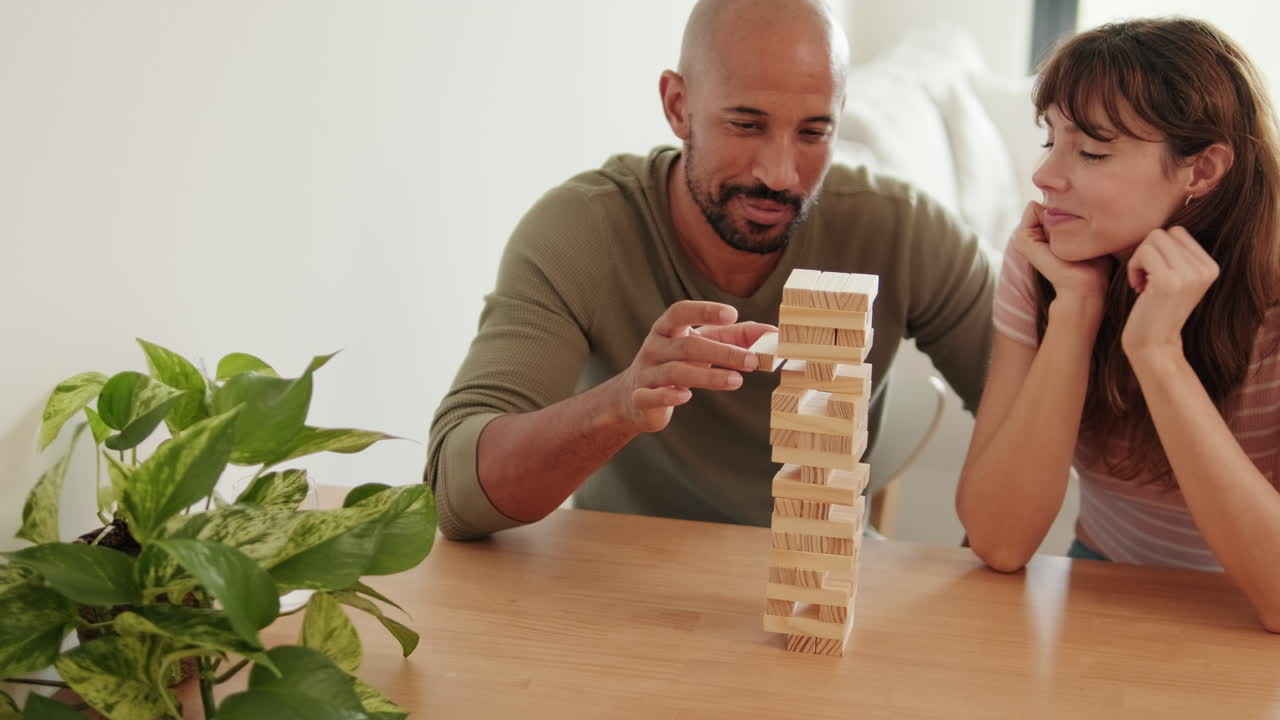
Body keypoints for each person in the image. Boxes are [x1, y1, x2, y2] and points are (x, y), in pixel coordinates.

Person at [427, 0, 995, 541]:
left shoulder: (901, 230)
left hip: (813, 608)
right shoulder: (582, 232)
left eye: (813, 132)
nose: (779, 173)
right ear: (678, 105)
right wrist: (620, 402)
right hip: (617, 588)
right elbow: (454, 496)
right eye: (747, 125)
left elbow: (1051, 424)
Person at [956, 18, 1280, 631]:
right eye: (1051, 139)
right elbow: (997, 540)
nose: (1046, 176)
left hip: (1242, 615)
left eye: (1093, 150)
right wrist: (1075, 312)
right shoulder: (1047, 266)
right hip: (1099, 591)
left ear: (1203, 170)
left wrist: (1158, 353)